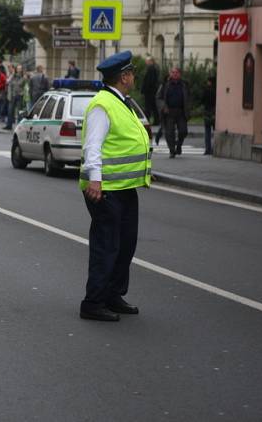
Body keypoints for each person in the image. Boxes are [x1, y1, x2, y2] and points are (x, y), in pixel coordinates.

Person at [79, 51, 151, 322]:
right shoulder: (103, 104)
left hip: (123, 186)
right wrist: (95, 179)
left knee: (125, 244)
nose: (133, 76)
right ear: (123, 76)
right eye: (131, 72)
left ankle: (112, 294)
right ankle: (93, 301)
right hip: (105, 188)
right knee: (106, 246)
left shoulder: (121, 102)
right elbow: (93, 146)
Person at [156, 67, 189, 158]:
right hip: (169, 112)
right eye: (173, 72)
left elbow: (188, 98)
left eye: (176, 72)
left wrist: (188, 109)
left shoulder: (184, 84)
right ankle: (172, 150)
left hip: (181, 111)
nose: (174, 74)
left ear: (180, 74)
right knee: (169, 133)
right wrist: (164, 107)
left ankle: (178, 145)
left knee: (183, 131)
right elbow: (159, 98)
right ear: (170, 74)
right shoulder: (165, 84)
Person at [141, 55, 160, 125]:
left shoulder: (151, 69)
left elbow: (149, 81)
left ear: (150, 61)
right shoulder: (153, 68)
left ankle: (149, 120)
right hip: (151, 91)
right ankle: (156, 120)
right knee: (153, 106)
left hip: (149, 92)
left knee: (149, 106)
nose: (146, 62)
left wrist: (145, 89)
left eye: (147, 61)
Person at [5, 64, 24, 130]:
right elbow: (7, 82)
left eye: (20, 68)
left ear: (22, 70)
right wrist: (12, 75)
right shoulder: (13, 76)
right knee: (10, 111)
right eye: (18, 68)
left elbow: (25, 86)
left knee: (20, 112)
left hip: (20, 96)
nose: (19, 70)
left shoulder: (23, 77)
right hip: (13, 95)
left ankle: (20, 126)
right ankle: (9, 125)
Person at [203, 75, 216, 155]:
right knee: (215, 131)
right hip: (215, 112)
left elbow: (202, 99)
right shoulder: (216, 90)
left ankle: (208, 149)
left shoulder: (206, 90)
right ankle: (214, 148)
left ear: (210, 82)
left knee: (207, 132)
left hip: (207, 112)